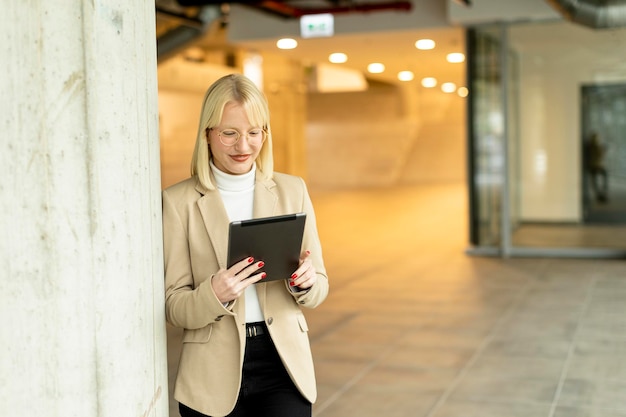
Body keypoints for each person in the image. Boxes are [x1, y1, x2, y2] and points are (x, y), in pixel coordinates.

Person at [162, 74, 329, 417]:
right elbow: (173, 307)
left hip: (283, 363)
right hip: (211, 372)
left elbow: (320, 287)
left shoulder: (291, 190)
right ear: (207, 134)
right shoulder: (177, 202)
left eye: (254, 133)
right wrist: (214, 293)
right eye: (229, 133)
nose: (243, 146)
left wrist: (307, 283)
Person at [586, 132, 609, 203]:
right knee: (595, 180)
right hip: (594, 166)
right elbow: (599, 155)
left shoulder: (592, 146)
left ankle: (601, 194)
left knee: (596, 180)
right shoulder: (593, 147)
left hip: (595, 166)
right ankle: (600, 194)